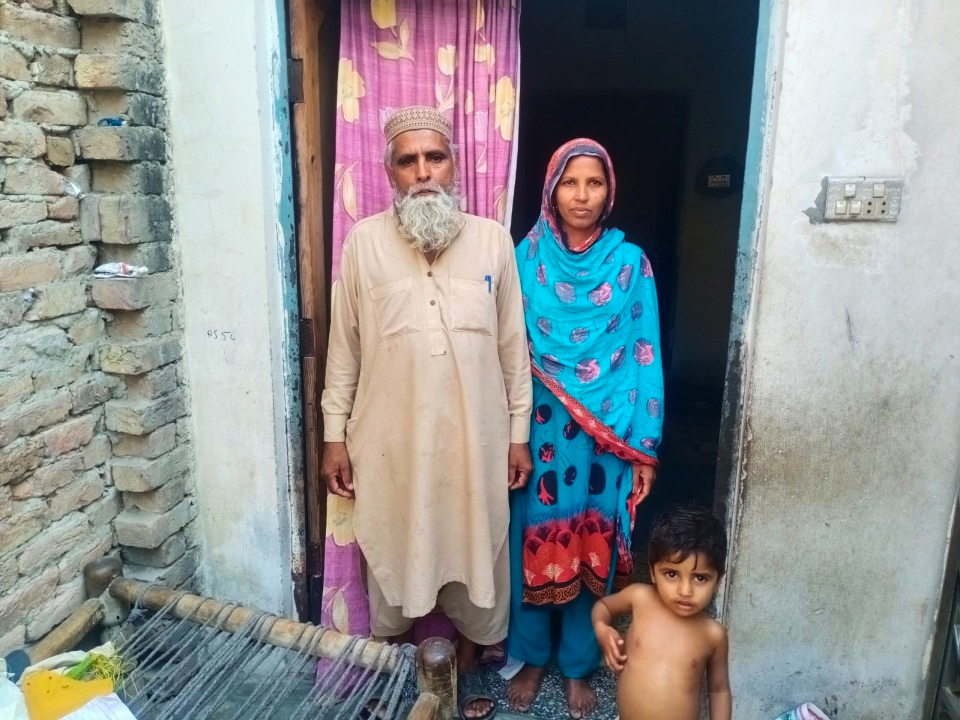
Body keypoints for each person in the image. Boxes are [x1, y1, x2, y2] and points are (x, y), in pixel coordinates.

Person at [320, 105, 533, 720]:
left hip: (477, 437)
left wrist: (518, 434)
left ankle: (464, 668)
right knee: (395, 541)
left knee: (476, 543)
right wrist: (333, 435)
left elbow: (512, 347)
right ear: (388, 171)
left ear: (453, 164)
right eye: (407, 160)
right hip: (391, 438)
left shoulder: (491, 240)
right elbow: (345, 348)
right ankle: (393, 677)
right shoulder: (363, 244)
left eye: (434, 157)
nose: (422, 172)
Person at [506, 139, 664, 718]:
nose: (581, 195)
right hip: (540, 430)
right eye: (569, 183)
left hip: (606, 437)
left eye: (593, 183)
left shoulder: (631, 265)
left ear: (609, 191)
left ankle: (578, 663)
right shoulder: (525, 258)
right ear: (551, 191)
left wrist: (644, 446)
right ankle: (530, 656)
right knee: (532, 539)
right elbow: (506, 351)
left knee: (589, 542)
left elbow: (646, 354)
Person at [591, 505, 731, 720]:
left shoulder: (713, 635)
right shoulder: (640, 597)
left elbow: (719, 690)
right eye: (672, 574)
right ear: (653, 572)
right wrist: (602, 628)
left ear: (718, 581)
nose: (685, 591)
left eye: (700, 578)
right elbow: (604, 607)